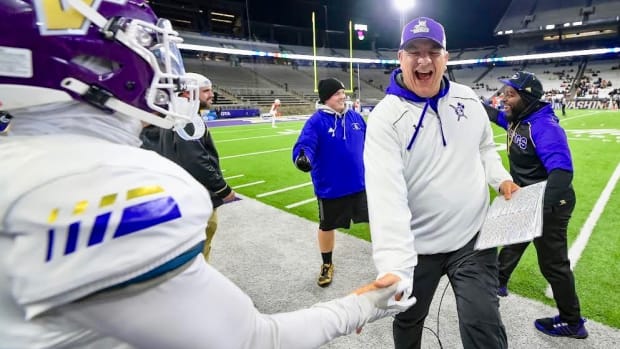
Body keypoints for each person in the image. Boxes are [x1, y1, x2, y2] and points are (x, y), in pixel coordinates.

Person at [0, 1, 414, 347]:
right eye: (146, 45)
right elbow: (253, 339)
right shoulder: (108, 189)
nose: (165, 67)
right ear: (93, 62)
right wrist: (362, 306)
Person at [363, 17, 519, 349]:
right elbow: (385, 198)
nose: (424, 60)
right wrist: (394, 267)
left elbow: (484, 147)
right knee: (408, 319)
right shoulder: (385, 118)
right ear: (400, 58)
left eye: (433, 51)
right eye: (414, 51)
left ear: (445, 58)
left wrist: (501, 179)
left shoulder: (467, 99)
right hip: (418, 249)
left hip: (472, 240)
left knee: (484, 325)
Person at [483, 71, 588, 339]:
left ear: (527, 98)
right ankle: (498, 282)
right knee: (513, 241)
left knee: (553, 265)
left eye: (511, 94)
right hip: (529, 197)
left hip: (551, 202)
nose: (503, 99)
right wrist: (465, 100)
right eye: (504, 92)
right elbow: (495, 116)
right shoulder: (519, 118)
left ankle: (573, 322)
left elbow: (562, 175)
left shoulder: (544, 127)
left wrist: (536, 207)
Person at [141, 72, 235, 261]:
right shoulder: (187, 118)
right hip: (196, 197)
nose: (211, 94)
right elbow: (196, 160)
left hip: (173, 194)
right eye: (206, 91)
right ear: (187, 94)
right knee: (199, 250)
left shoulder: (166, 116)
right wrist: (223, 189)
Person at [292, 77, 369, 288]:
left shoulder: (355, 117)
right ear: (326, 98)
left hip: (360, 184)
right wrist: (302, 157)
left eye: (343, 93)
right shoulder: (316, 122)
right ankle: (327, 264)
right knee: (327, 226)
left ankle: (388, 256)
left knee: (377, 219)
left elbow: (371, 140)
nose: (342, 96)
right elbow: (304, 145)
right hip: (331, 188)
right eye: (337, 93)